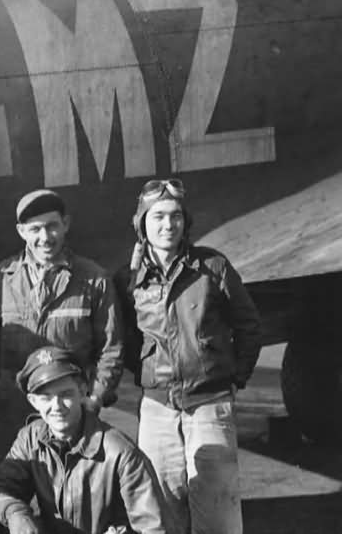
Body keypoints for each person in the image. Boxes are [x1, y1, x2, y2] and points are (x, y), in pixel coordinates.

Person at [115, 178, 262, 534]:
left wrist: (232, 378)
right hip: (158, 408)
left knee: (218, 514)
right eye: (158, 217)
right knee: (162, 511)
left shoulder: (213, 267)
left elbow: (249, 326)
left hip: (210, 402)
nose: (168, 225)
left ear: (185, 221)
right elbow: (127, 340)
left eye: (176, 216)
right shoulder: (129, 280)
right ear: (142, 224)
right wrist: (151, 376)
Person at [0, 188, 123, 474]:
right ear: (21, 231)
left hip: (70, 408)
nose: (45, 237)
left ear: (65, 224)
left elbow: (111, 347)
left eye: (52, 226)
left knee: (73, 489)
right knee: (10, 485)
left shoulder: (94, 279)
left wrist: (94, 399)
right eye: (35, 229)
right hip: (14, 410)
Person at [0, 347, 173, 534]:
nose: (56, 406)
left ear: (82, 391)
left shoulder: (120, 454)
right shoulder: (31, 439)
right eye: (46, 397)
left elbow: (154, 527)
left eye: (65, 395)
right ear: (33, 401)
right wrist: (16, 515)